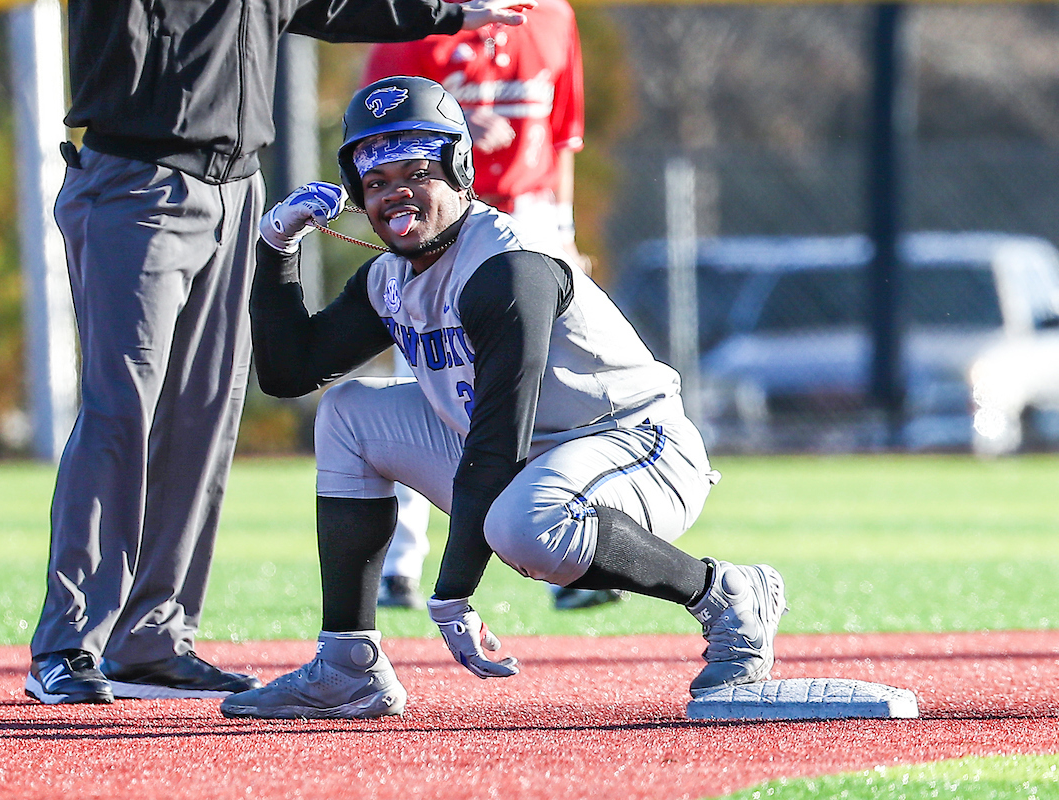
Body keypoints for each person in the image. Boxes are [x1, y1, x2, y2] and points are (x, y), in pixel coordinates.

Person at [220, 77, 787, 720]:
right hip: (528, 454)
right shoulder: (391, 276)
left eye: (416, 171)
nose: (394, 194)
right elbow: (288, 372)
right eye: (376, 183)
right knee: (349, 414)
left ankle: (728, 594)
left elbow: (497, 436)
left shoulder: (508, 265)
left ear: (460, 171)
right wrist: (276, 247)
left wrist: (452, 593)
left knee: (524, 525)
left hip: (636, 446)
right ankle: (348, 664)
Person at [25, 0, 539, 706]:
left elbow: (341, 4)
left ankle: (150, 640)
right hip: (136, 179)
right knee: (120, 411)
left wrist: (448, 11)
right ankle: (68, 642)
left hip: (238, 188)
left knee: (206, 417)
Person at [363, 0, 616, 611]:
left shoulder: (554, 16)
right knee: (422, 385)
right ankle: (399, 566)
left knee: (550, 393)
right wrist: (452, 140)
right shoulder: (417, 16)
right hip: (441, 221)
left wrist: (565, 232)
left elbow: (561, 138)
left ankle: (571, 561)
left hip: (528, 220)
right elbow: (371, 141)